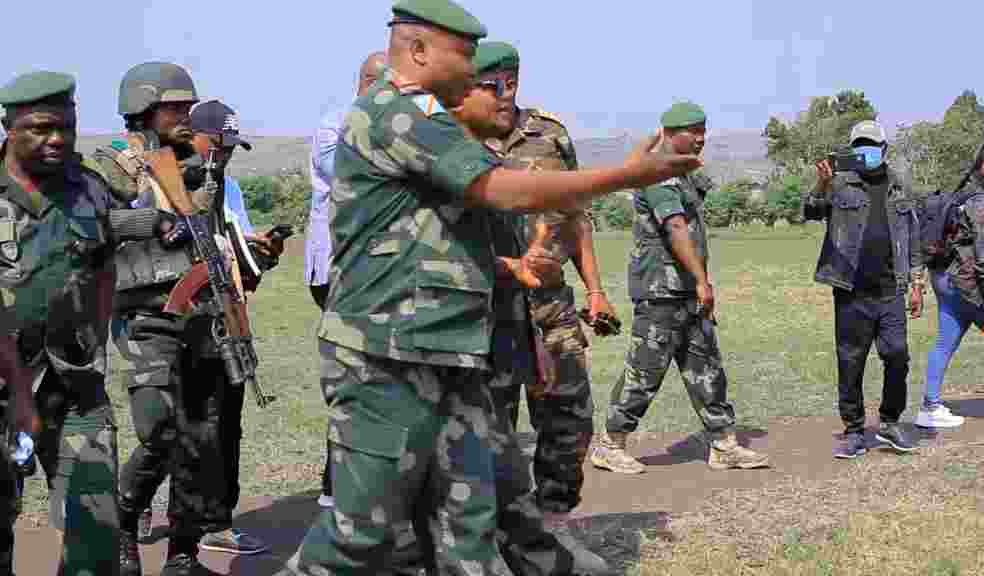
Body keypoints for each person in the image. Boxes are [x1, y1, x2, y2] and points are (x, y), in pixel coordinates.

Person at [278, 0, 702, 573]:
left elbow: (423, 241)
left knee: (469, 520)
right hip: (385, 354)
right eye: (465, 54)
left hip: (446, 350)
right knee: (363, 533)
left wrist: (508, 269)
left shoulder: (428, 116)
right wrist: (631, 175)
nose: (474, 69)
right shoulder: (394, 111)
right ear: (418, 50)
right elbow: (499, 190)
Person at [0, 70, 181, 576]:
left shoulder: (89, 188)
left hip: (74, 387)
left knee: (97, 539)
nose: (57, 138)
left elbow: (102, 237)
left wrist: (154, 221)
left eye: (66, 126)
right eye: (41, 128)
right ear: (9, 127)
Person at [89, 62, 253, 576]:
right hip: (144, 312)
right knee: (159, 427)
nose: (186, 114)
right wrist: (151, 220)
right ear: (142, 108)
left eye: (189, 106)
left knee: (200, 436)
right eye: (175, 107)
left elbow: (212, 231)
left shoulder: (199, 164)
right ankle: (123, 523)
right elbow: (94, 222)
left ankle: (183, 552)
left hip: (201, 311)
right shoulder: (113, 164)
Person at [462, 40, 611, 569]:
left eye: (512, 81)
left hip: (549, 302)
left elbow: (575, 215)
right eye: (492, 83)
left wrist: (595, 289)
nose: (505, 92)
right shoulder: (454, 138)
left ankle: (555, 527)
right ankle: (491, 542)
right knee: (489, 426)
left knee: (570, 415)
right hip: (485, 307)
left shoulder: (549, 135)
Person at [592, 102, 771, 474]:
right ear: (671, 134)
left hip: (686, 291)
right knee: (645, 371)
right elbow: (675, 227)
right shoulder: (659, 175)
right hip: (661, 291)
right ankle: (610, 444)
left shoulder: (680, 173)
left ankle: (723, 444)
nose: (702, 138)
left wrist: (698, 283)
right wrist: (703, 280)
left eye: (704, 130)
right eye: (694, 132)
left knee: (706, 368)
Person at [803, 120, 924, 458]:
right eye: (859, 145)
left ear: (884, 149)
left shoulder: (900, 186)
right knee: (851, 361)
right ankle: (854, 430)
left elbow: (913, 238)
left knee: (897, 355)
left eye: (870, 145)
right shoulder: (840, 183)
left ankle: (889, 422)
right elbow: (810, 211)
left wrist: (917, 284)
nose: (864, 151)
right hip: (851, 292)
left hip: (891, 290)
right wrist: (822, 183)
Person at [307, 50, 385, 510]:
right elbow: (353, 175)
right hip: (339, 266)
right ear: (372, 83)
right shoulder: (335, 125)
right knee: (355, 374)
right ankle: (336, 486)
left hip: (370, 267)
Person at [915, 142, 984, 427]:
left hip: (946, 279)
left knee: (946, 341)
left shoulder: (969, 193)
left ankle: (930, 407)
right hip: (967, 284)